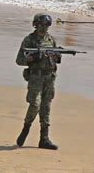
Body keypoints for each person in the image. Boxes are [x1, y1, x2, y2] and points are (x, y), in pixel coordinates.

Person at [15, 13, 60, 150]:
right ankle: (26, 128)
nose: (45, 27)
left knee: (46, 107)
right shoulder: (29, 40)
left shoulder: (51, 40)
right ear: (36, 24)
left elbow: (56, 59)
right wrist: (34, 58)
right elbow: (19, 60)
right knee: (35, 104)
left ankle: (44, 138)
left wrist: (56, 56)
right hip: (36, 78)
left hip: (49, 77)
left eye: (47, 25)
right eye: (42, 24)